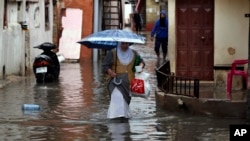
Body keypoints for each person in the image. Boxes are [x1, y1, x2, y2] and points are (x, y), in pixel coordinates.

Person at [102, 42, 145, 120]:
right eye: (123, 44)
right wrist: (110, 72)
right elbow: (105, 66)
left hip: (128, 84)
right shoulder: (113, 53)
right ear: (119, 44)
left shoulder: (134, 53)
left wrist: (141, 65)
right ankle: (115, 119)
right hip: (116, 82)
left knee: (125, 102)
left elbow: (141, 62)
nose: (125, 45)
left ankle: (123, 119)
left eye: (126, 44)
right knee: (117, 98)